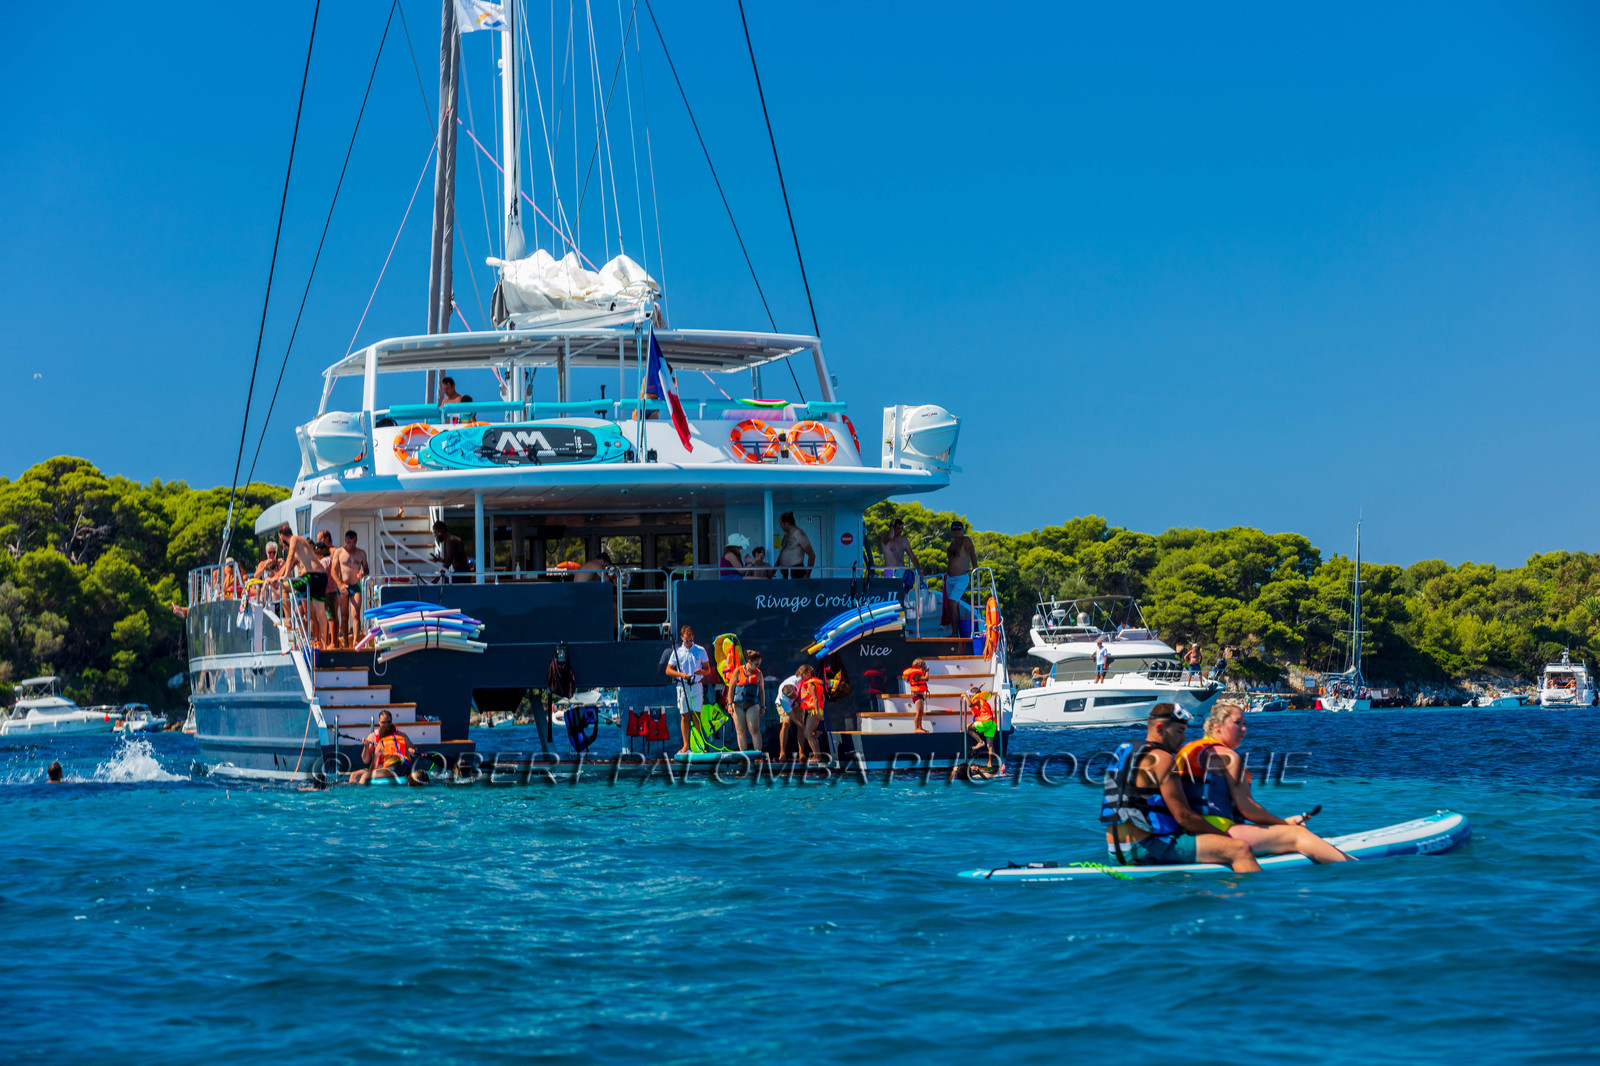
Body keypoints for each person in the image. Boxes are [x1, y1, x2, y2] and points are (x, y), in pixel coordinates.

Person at [1177, 704, 1351, 863]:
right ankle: (1352, 866)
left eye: (1245, 723)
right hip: (1218, 830)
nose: (1244, 729)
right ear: (1217, 726)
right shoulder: (1228, 756)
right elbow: (1248, 809)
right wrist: (1285, 824)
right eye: (1237, 723)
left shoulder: (1189, 750)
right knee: (1298, 834)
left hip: (1187, 833)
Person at [1100, 704, 1260, 872]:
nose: (1184, 738)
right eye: (1179, 731)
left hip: (1115, 850)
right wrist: (1225, 837)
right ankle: (1254, 888)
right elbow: (1185, 817)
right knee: (1239, 849)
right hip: (1145, 848)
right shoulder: (1162, 759)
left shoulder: (1125, 750)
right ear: (1160, 729)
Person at [276, 523, 330, 643]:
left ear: (282, 536)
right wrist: (276, 576)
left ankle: (288, 620)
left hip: (311, 577)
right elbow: (288, 564)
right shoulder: (301, 545)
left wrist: (285, 576)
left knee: (284, 587)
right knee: (320, 612)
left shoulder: (294, 539)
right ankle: (323, 645)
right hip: (321, 577)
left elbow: (289, 558)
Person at [664, 625, 712, 756]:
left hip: (696, 685)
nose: (689, 643)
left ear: (693, 637)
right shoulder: (677, 652)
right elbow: (668, 670)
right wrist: (681, 675)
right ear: (682, 638)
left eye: (691, 640)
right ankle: (686, 745)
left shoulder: (700, 650)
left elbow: (708, 670)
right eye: (686, 640)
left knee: (697, 715)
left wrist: (702, 672)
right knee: (684, 715)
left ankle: (699, 744)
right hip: (683, 685)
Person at [350, 709, 416, 784]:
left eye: (388, 722)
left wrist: (412, 750)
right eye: (383, 723)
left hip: (390, 769)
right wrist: (366, 747)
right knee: (354, 775)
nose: (386, 725)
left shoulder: (401, 735)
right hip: (383, 768)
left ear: (392, 722)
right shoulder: (373, 737)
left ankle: (361, 789)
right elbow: (365, 761)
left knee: (365, 775)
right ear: (379, 722)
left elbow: (414, 750)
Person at [333, 530, 370, 647]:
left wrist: (362, 573)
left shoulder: (361, 553)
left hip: (355, 586)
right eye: (349, 543)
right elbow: (333, 571)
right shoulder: (339, 552)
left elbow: (366, 569)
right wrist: (340, 584)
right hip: (343, 586)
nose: (351, 545)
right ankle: (345, 641)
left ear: (356, 541)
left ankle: (355, 640)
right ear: (345, 541)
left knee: (356, 614)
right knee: (344, 616)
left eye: (354, 542)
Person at [943, 520, 977, 636]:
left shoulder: (966, 540)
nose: (957, 531)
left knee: (952, 603)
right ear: (951, 531)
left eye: (959, 529)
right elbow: (951, 558)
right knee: (954, 604)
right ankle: (955, 633)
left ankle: (954, 634)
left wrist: (975, 567)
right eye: (954, 529)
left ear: (962, 530)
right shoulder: (952, 544)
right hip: (950, 579)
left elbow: (972, 553)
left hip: (961, 578)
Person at [729, 649, 766, 753]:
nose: (757, 666)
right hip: (738, 705)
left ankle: (758, 754)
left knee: (754, 729)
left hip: (752, 704)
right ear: (749, 661)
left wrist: (763, 706)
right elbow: (731, 689)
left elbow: (761, 691)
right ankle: (744, 755)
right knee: (740, 730)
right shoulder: (738, 671)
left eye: (759, 664)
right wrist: (729, 704)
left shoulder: (758, 673)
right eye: (756, 664)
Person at [795, 663, 828, 764]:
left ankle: (817, 756)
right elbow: (823, 697)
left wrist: (818, 712)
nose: (801, 678)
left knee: (808, 733)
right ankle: (817, 755)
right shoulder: (814, 683)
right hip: (815, 710)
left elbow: (816, 698)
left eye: (802, 675)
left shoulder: (810, 684)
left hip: (814, 711)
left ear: (808, 673)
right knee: (811, 734)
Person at [776, 512, 815, 578]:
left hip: (797, 572)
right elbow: (783, 552)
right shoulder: (786, 535)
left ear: (786, 524)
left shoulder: (799, 535)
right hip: (785, 572)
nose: (780, 527)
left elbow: (812, 555)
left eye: (781, 524)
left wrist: (807, 574)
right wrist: (775, 567)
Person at [965, 685, 998, 764]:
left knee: (967, 727)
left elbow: (970, 705)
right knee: (990, 745)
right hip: (992, 723)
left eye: (970, 695)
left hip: (985, 722)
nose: (970, 697)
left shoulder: (977, 700)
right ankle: (990, 763)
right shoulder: (984, 701)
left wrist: (964, 696)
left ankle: (980, 741)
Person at [775, 673, 803, 761]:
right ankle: (782, 752)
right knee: (786, 724)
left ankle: (801, 753)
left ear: (794, 687)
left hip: (799, 702)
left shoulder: (797, 679)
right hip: (784, 706)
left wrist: (798, 698)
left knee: (801, 725)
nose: (793, 697)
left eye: (794, 694)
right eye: (791, 697)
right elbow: (795, 720)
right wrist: (806, 730)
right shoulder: (783, 700)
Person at [902, 657, 930, 733]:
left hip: (920, 695)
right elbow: (926, 679)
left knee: (921, 712)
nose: (924, 667)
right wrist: (927, 672)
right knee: (918, 712)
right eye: (923, 666)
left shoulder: (919, 673)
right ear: (919, 666)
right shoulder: (916, 675)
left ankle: (920, 727)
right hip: (917, 695)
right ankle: (916, 728)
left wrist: (925, 671)